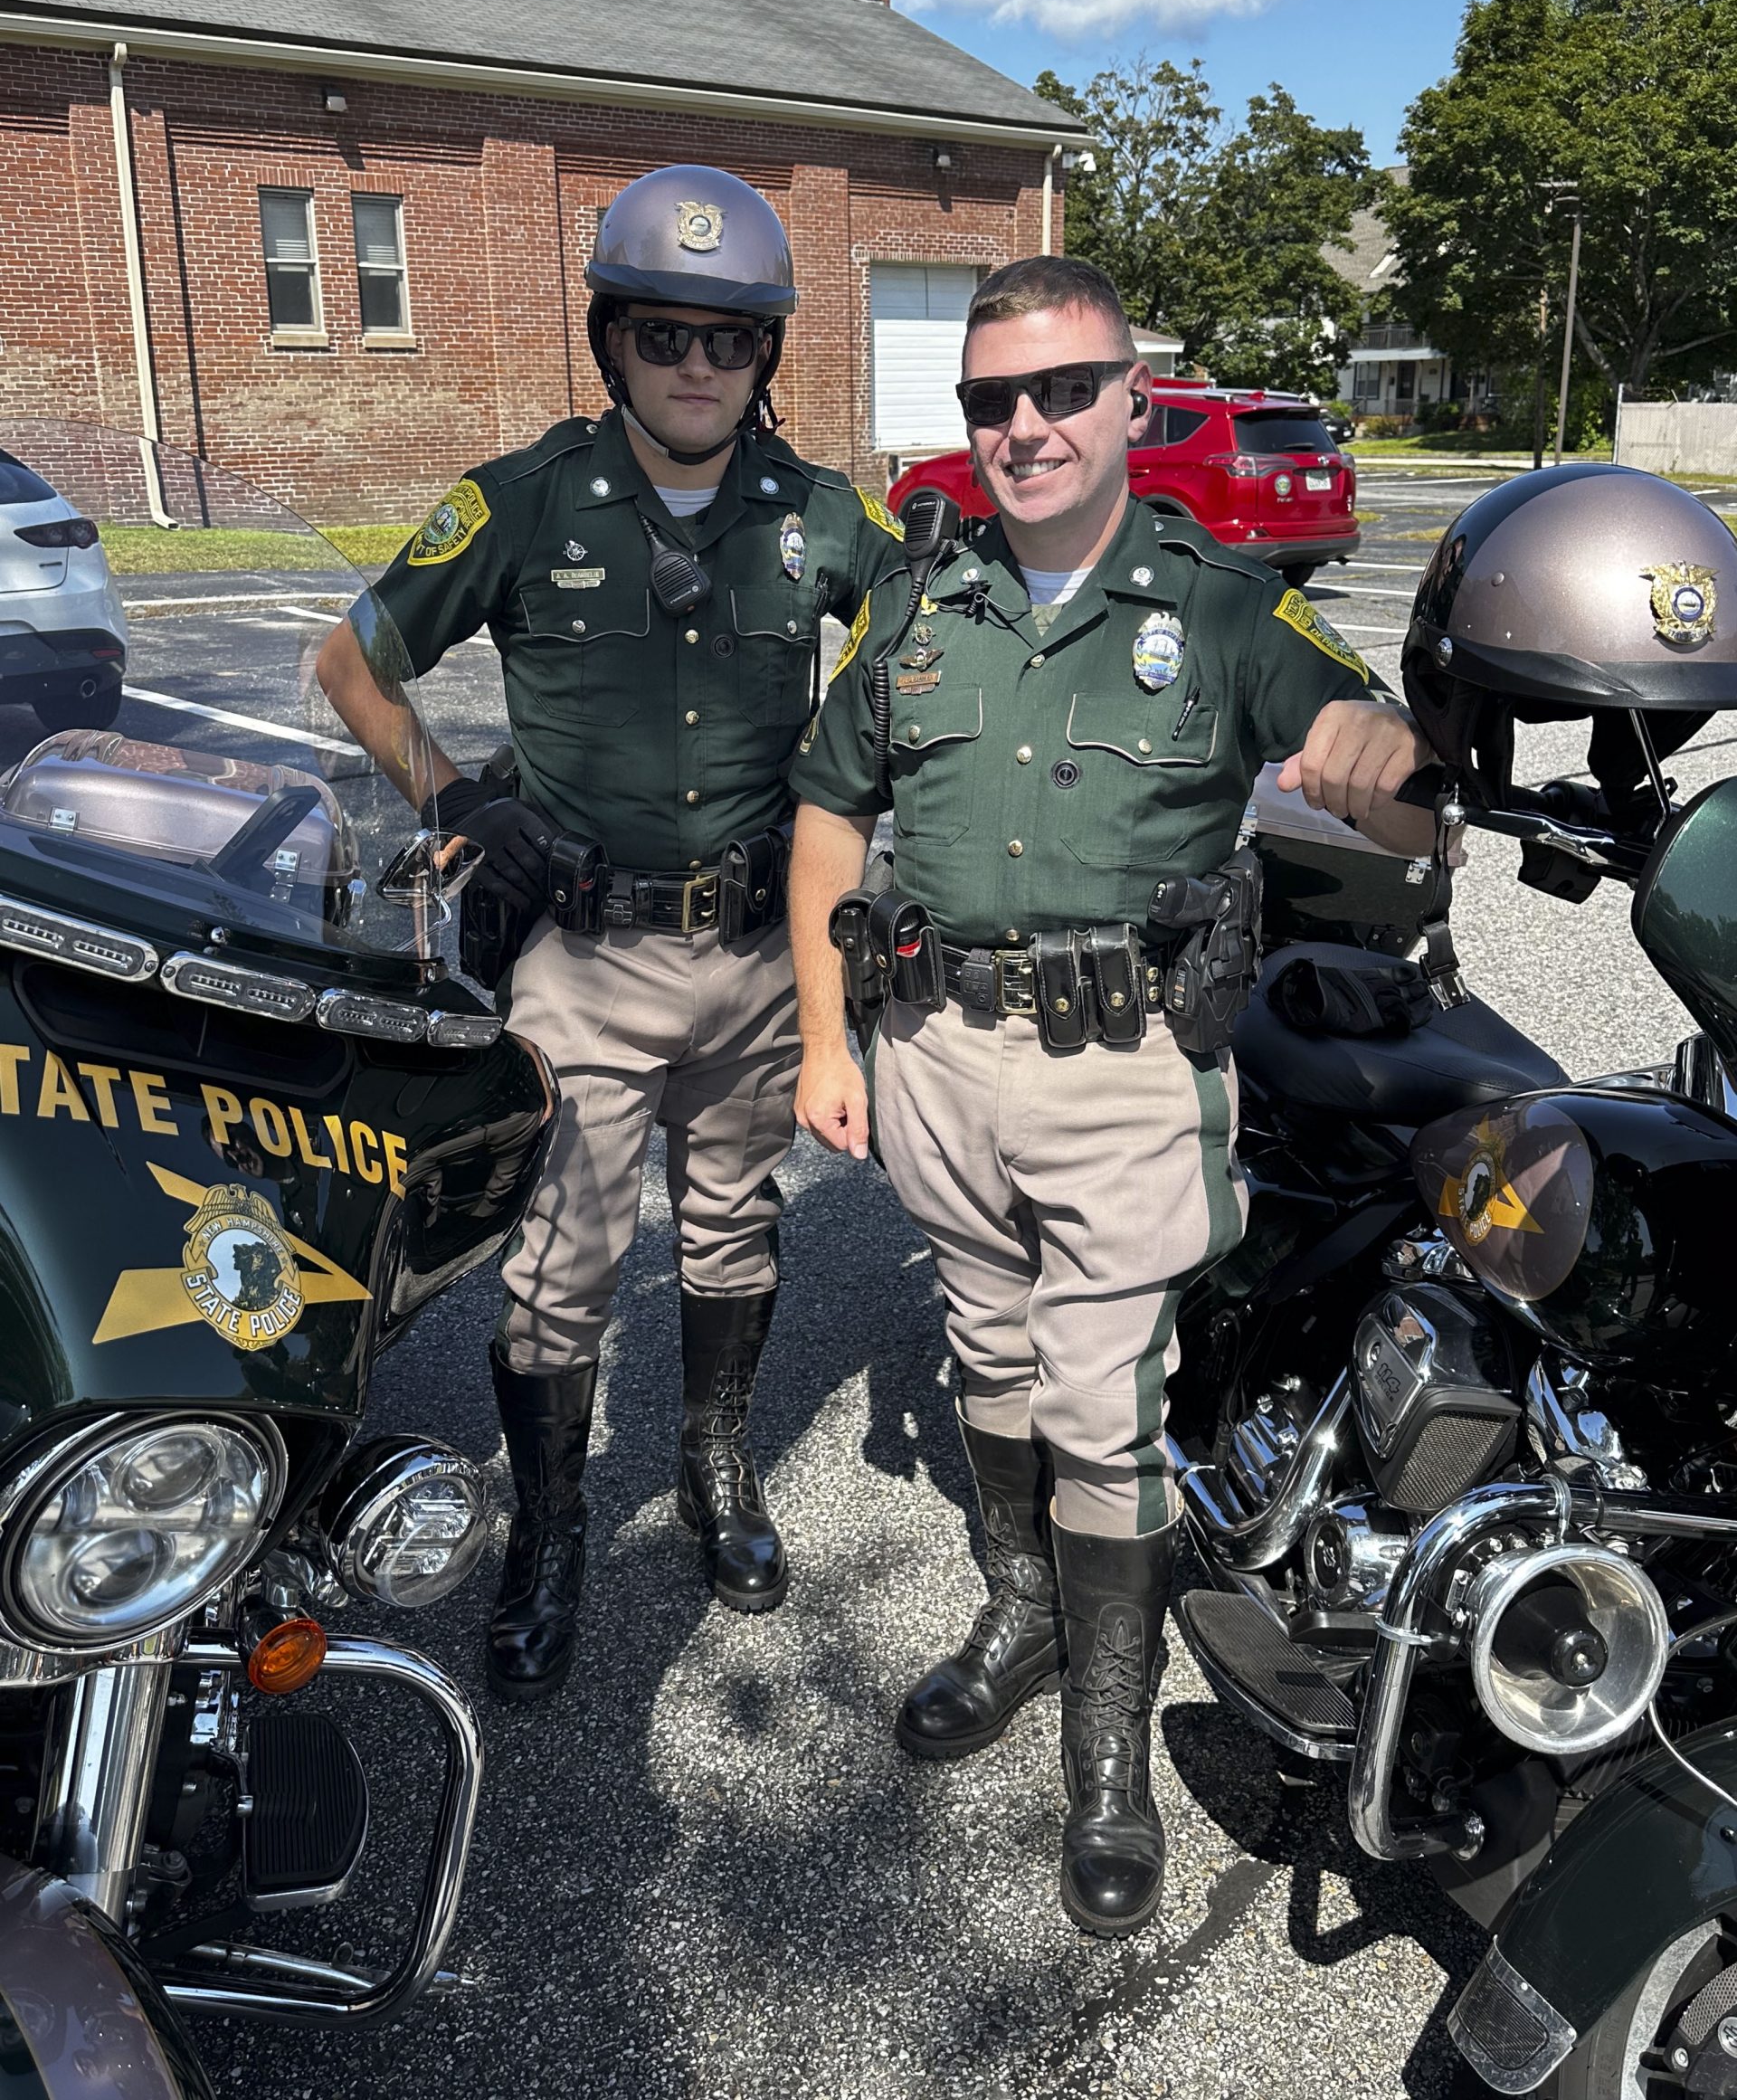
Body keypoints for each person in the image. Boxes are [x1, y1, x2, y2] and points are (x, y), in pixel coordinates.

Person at [786, 254, 1429, 1935]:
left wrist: (1390, 768)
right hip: (930, 1050)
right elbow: (830, 814)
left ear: (1132, 400)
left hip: (1123, 1074)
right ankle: (1022, 1615)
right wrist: (824, 1040)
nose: (1026, 426)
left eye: (1062, 390)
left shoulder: (1223, 606)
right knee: (987, 1350)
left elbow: (1390, 781)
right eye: (992, 399)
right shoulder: (921, 603)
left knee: (1097, 1401)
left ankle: (1107, 1755)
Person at [317, 165, 906, 1701]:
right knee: (562, 1266)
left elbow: (936, 644)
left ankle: (717, 1465)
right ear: (612, 342)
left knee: (732, 1226)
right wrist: (457, 800)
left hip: (767, 954)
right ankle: (555, 1530)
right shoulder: (525, 500)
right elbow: (352, 661)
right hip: (581, 956)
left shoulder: (819, 514)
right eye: (664, 335)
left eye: (730, 340)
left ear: (768, 355)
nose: (698, 367)